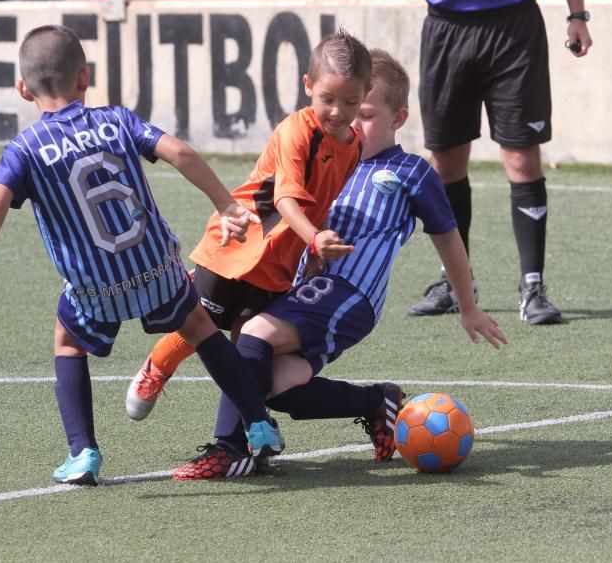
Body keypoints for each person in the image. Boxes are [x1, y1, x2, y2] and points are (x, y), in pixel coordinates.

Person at [0, 24, 284, 486]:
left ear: (21, 88)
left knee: (68, 342)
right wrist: (225, 204)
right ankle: (257, 423)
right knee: (199, 326)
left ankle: (84, 453)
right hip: (154, 267)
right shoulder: (116, 120)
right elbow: (180, 151)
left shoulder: (25, 150)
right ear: (83, 78)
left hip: (95, 284)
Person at [172, 49, 508, 480]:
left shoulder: (410, 172)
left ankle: (233, 449)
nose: (351, 122)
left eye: (364, 113)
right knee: (271, 384)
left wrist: (467, 305)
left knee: (251, 339)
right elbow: (273, 209)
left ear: (398, 118)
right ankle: (376, 403)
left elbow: (448, 237)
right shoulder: (326, 156)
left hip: (348, 294)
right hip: (302, 292)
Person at [124, 28, 370, 421]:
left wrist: (313, 251)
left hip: (280, 261)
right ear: (308, 86)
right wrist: (315, 237)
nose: (338, 111)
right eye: (328, 99)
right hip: (239, 244)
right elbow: (284, 199)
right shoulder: (297, 131)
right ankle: (156, 370)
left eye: (350, 101)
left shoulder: (354, 145)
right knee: (198, 324)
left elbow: (321, 199)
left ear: (365, 95)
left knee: (249, 345)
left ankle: (246, 431)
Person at [381, 0, 593, 324]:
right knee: (445, 163)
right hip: (446, 31)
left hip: (515, 33)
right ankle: (456, 282)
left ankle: (532, 287)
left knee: (522, 159)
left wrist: (577, 15)